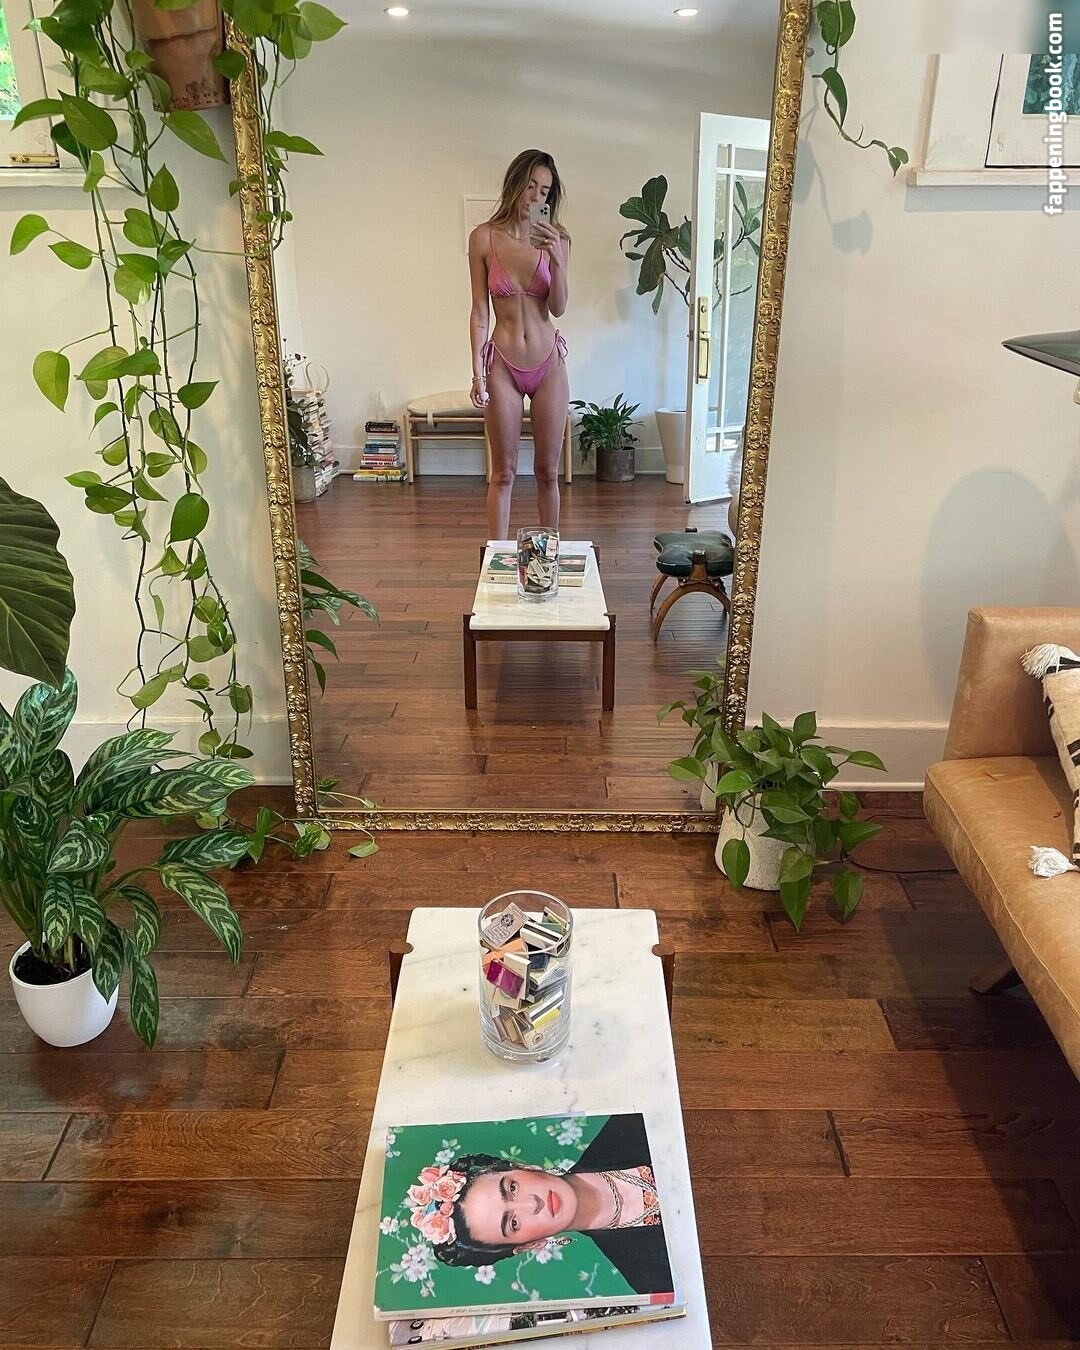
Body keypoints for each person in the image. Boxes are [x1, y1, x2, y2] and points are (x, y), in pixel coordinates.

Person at [408, 1114, 672, 1296]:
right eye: (513, 1222)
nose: (532, 1204)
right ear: (528, 1245)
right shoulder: (650, 1276)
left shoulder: (631, 1126)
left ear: (524, 1168)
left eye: (512, 1188)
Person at [468, 149, 570, 540]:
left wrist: (557, 259)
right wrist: (476, 374)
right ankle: (495, 560)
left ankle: (549, 558)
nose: (536, 196)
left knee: (547, 472)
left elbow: (558, 308)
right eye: (530, 186)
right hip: (503, 366)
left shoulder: (559, 239)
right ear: (515, 184)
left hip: (548, 364)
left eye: (545, 190)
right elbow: (480, 311)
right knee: (503, 472)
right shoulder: (483, 238)